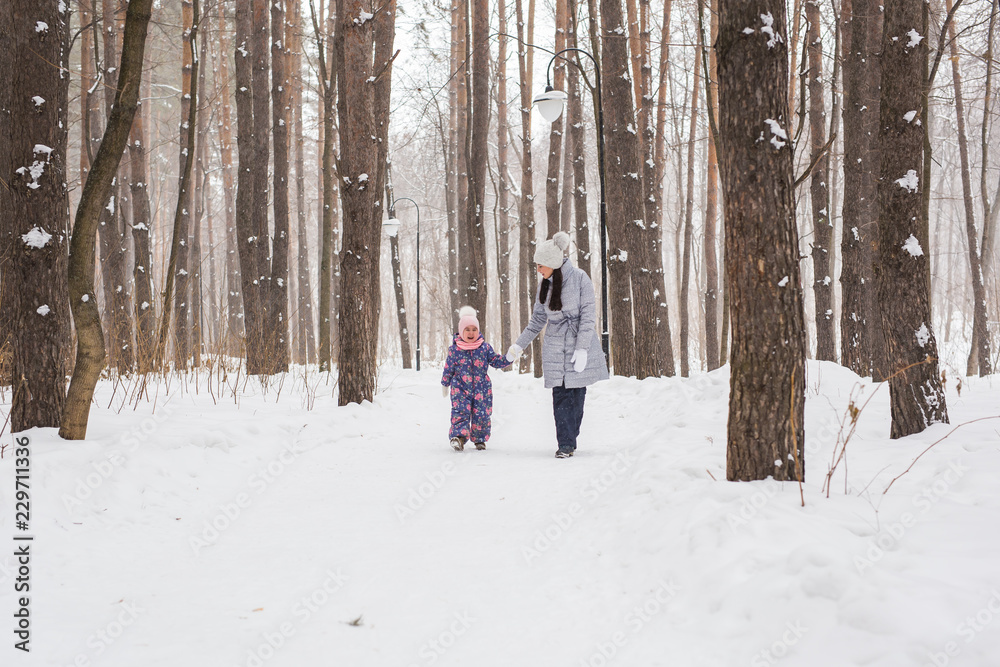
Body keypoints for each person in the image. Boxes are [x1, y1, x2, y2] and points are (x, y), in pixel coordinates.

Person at [506, 231, 609, 458]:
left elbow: (588, 315)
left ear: (552, 262)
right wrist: (518, 346)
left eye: (541, 265)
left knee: (576, 398)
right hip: (554, 345)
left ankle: (570, 437)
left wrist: (582, 347)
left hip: (577, 342)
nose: (538, 270)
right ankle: (565, 444)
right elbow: (536, 322)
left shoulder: (581, 278)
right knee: (560, 396)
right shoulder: (544, 286)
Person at [442, 306, 512, 451]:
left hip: (482, 388)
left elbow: (496, 361)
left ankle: (479, 438)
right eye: (467, 329)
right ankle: (458, 438)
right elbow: (448, 368)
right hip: (460, 388)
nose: (471, 332)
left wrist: (509, 357)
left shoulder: (484, 348)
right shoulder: (454, 350)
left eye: (474, 329)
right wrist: (445, 383)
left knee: (482, 414)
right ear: (461, 331)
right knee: (460, 412)